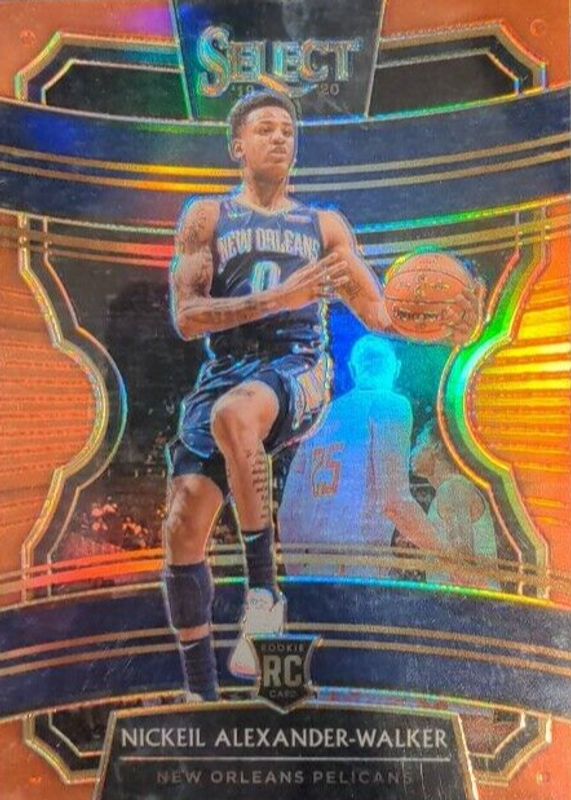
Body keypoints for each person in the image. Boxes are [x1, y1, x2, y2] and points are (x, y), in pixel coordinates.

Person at [163, 90, 481, 701]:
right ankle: (201, 691)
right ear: (237, 146)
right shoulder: (207, 217)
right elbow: (187, 316)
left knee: (236, 416)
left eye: (288, 130)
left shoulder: (324, 226)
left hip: (299, 366)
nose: (279, 138)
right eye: (265, 129)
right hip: (226, 369)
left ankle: (264, 598)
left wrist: (442, 326)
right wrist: (276, 298)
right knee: (182, 527)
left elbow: (380, 312)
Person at [278, 335, 446, 576]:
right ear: (396, 369)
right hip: (360, 568)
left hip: (311, 571)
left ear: (353, 369)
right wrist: (451, 559)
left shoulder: (318, 419)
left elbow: (287, 513)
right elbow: (394, 502)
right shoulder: (391, 405)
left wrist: (296, 572)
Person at [410, 419, 499, 587]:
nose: (412, 452)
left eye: (419, 443)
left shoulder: (452, 487)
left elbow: (462, 562)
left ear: (436, 446)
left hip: (467, 601)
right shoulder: (449, 489)